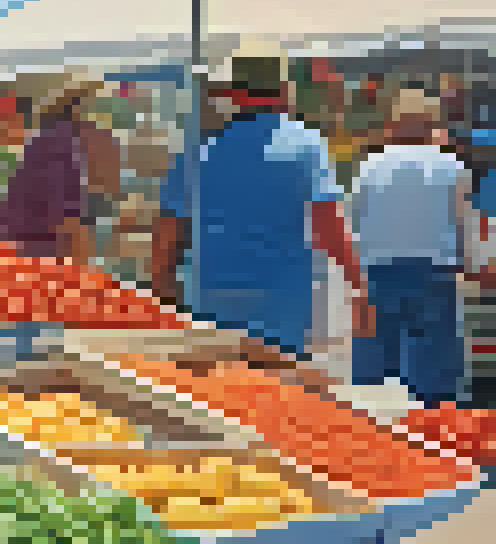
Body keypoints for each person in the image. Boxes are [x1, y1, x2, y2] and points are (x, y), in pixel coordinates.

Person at [153, 42, 372, 357]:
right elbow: (328, 224)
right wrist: (358, 286)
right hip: (283, 305)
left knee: (216, 399)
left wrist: (162, 295)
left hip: (211, 300)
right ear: (284, 91)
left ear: (233, 95)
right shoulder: (308, 144)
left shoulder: (196, 154)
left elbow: (167, 234)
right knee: (275, 399)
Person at [348, 87, 480, 405]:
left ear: (392, 126)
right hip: (434, 274)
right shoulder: (452, 166)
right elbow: (465, 225)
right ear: (433, 126)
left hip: (377, 273)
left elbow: (353, 222)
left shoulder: (369, 165)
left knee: (376, 370)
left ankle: (380, 440)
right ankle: (435, 435)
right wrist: (474, 265)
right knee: (434, 372)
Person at [0, 70, 113, 260]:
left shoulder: (48, 138)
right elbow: (67, 221)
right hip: (35, 255)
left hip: (19, 246)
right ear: (76, 108)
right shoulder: (63, 146)